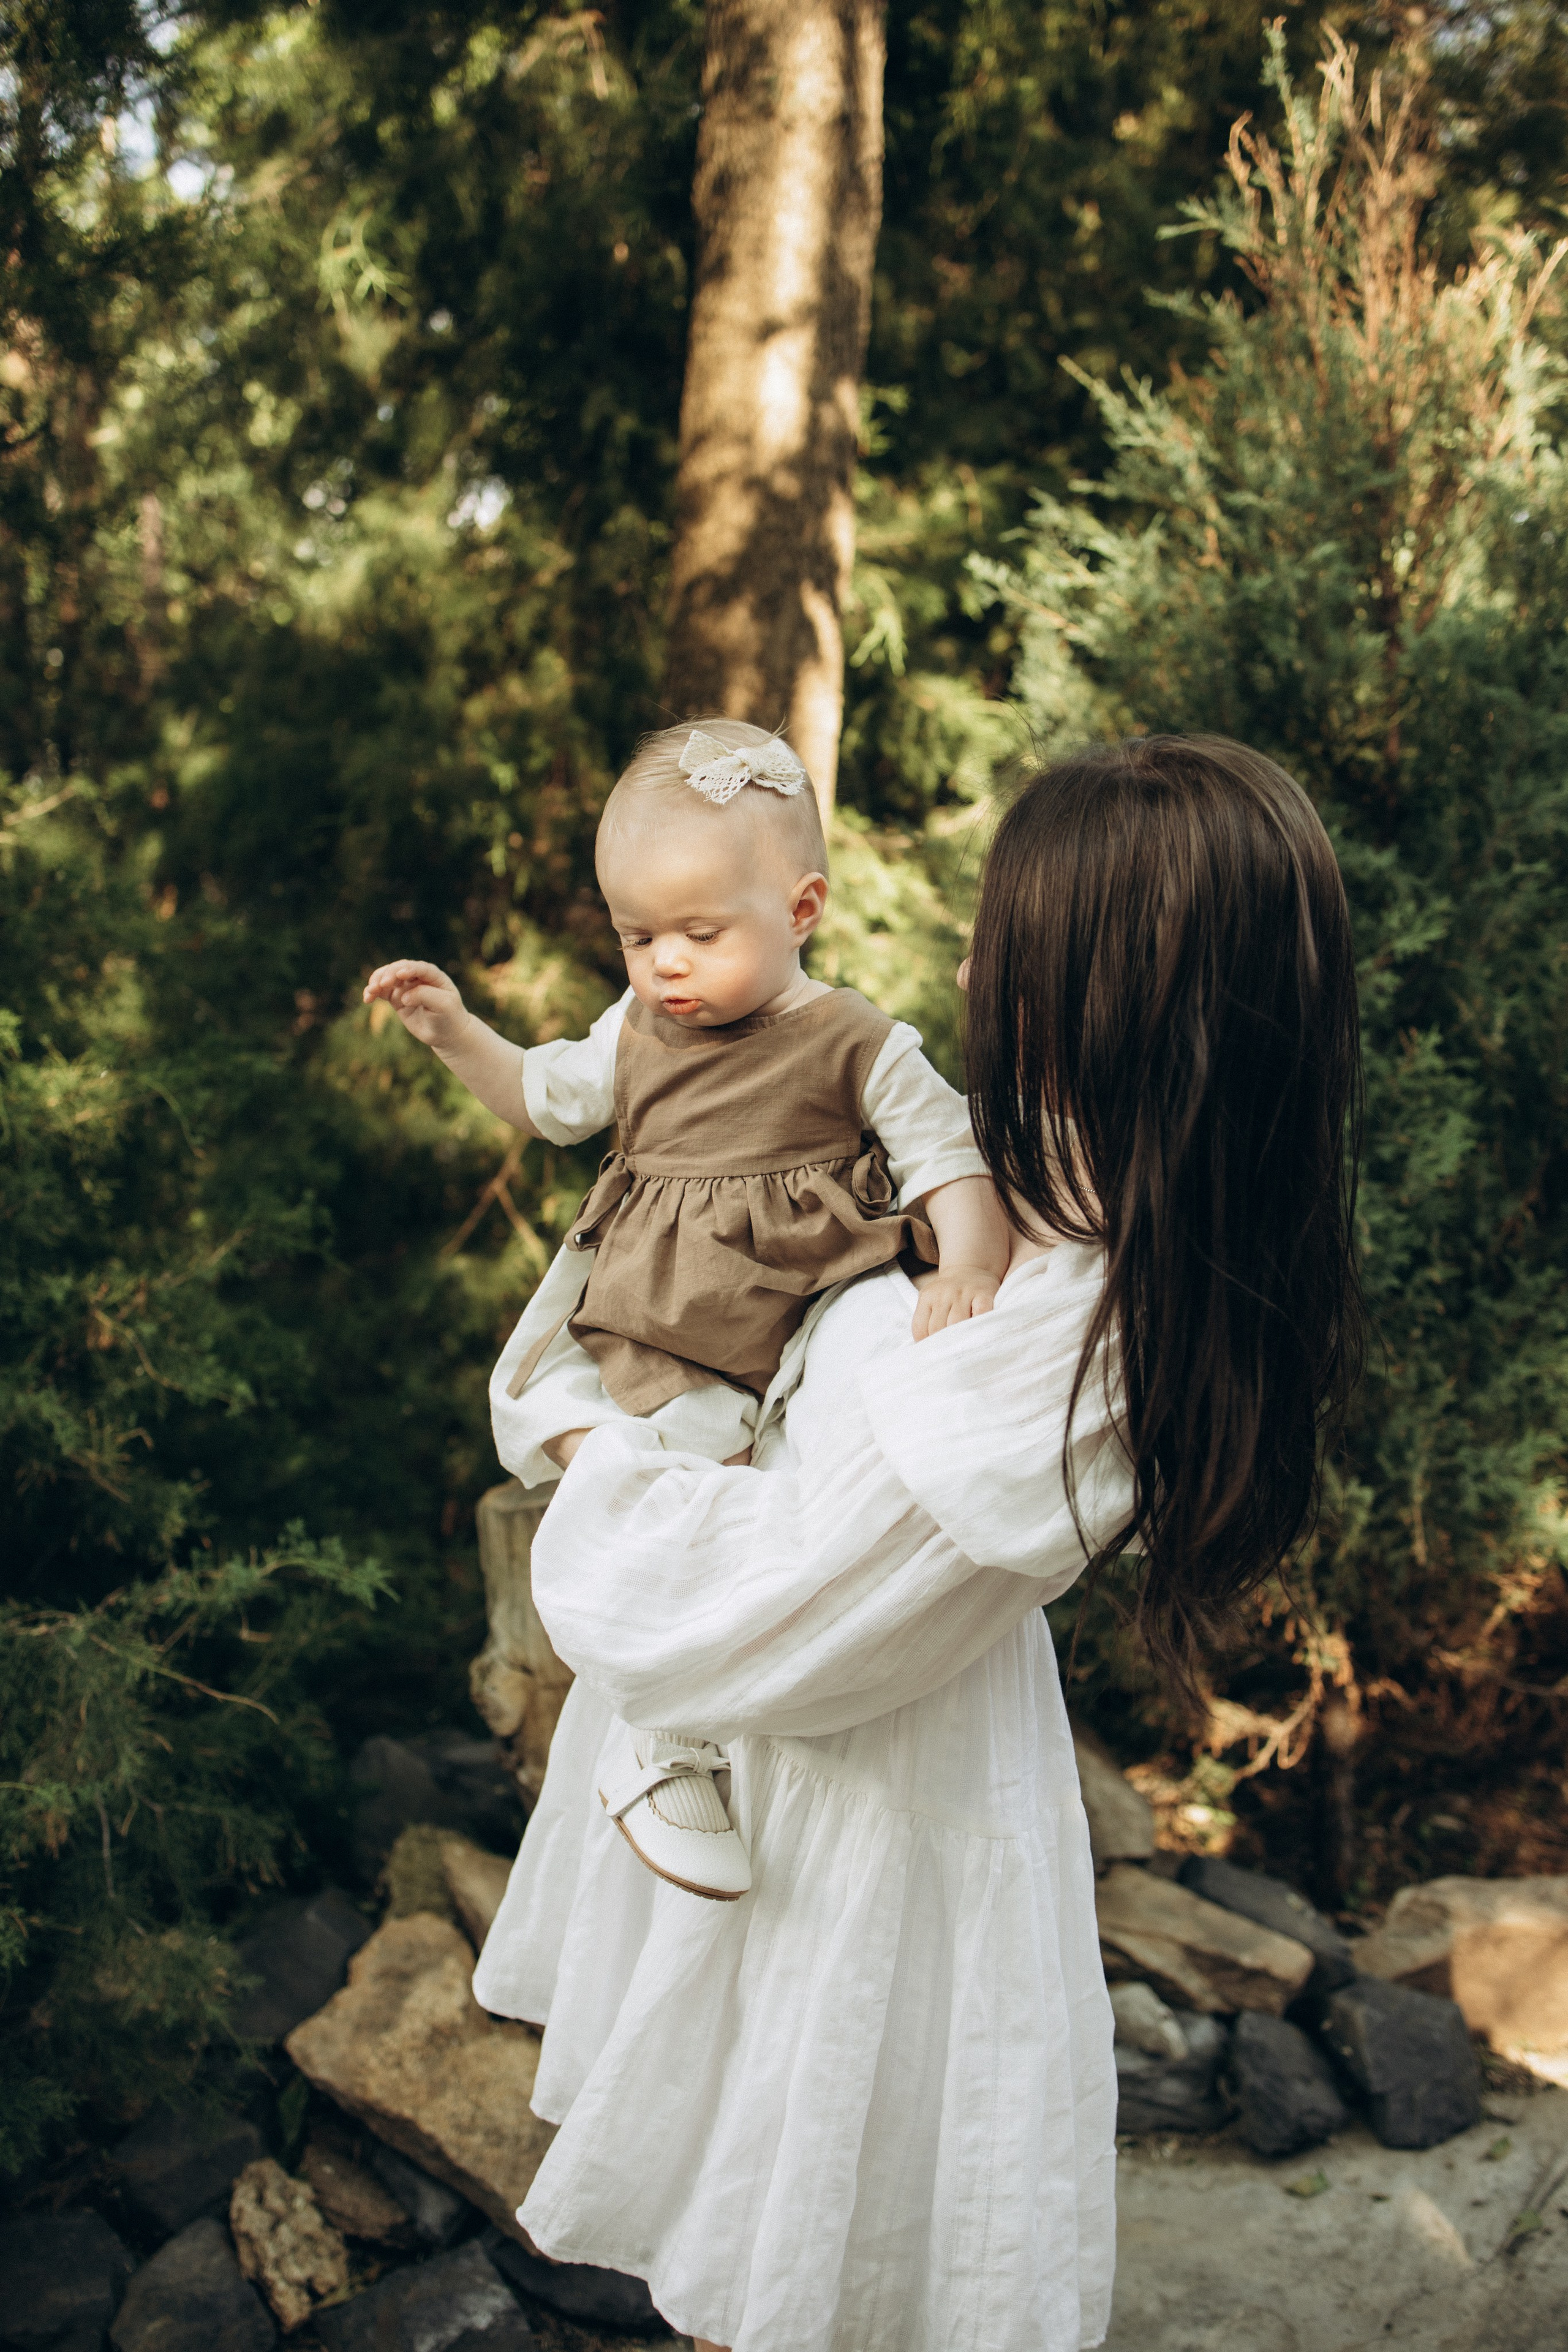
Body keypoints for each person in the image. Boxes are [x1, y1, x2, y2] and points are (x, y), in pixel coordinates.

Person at [472, 734, 1364, 2352]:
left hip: (848, 1838)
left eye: (1007, 946)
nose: (961, 970)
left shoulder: (1069, 1333)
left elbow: (754, 1610)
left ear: (1118, 994)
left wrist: (588, 1445)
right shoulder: (1010, 1169)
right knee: (753, 2251)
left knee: (802, 2258)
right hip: (775, 1788)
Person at [364, 718, 1009, 1900]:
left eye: (701, 934)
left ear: (802, 908)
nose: (665, 963)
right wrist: (455, 1032)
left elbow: (947, 1155)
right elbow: (541, 1096)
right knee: (637, 1476)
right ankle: (666, 1725)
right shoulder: (637, 1029)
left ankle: (706, 1704)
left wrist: (967, 1263)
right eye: (637, 935)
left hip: (796, 1323)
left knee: (762, 1503)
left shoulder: (857, 1042)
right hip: (660, 1323)